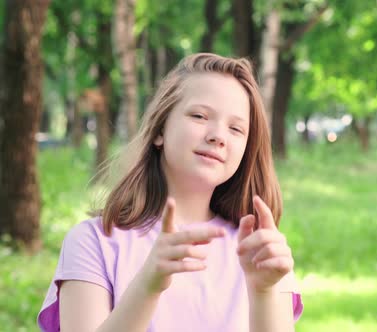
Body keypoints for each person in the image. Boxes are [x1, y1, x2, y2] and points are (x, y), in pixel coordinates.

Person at [37, 53, 303, 332]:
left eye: (236, 128)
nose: (218, 136)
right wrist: (149, 284)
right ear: (159, 130)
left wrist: (263, 292)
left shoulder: (260, 251)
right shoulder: (92, 242)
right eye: (200, 115)